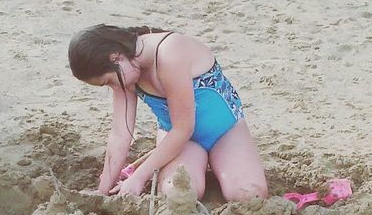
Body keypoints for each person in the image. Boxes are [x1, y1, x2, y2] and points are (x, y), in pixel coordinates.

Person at [68, 25, 268, 201]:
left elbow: (184, 128)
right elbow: (120, 134)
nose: (113, 87)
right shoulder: (125, 73)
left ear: (115, 57)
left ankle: (221, 163)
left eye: (108, 81)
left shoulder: (168, 52)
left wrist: (138, 177)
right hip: (181, 143)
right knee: (178, 194)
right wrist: (103, 191)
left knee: (249, 194)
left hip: (225, 132)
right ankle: (203, 165)